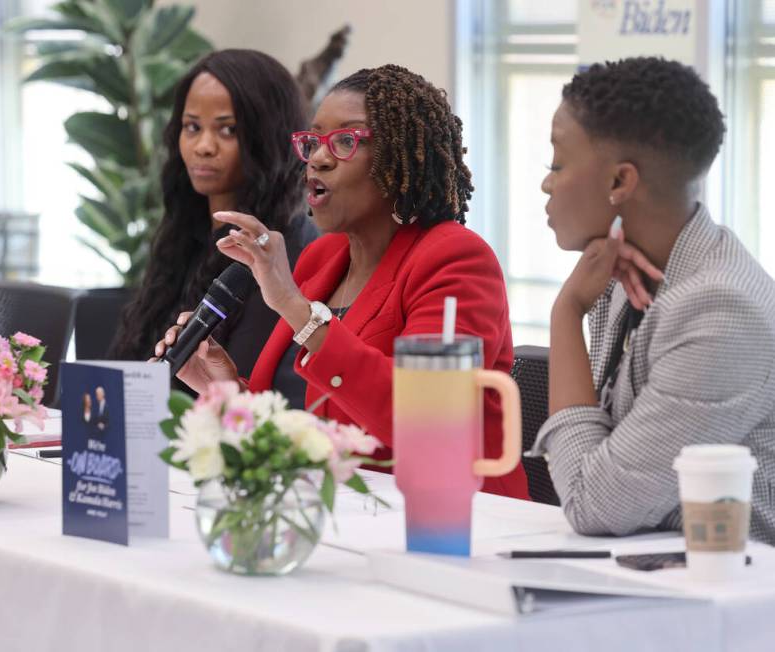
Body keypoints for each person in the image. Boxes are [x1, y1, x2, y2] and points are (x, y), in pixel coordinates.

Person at [156, 64, 530, 500]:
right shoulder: (323, 258)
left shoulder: (455, 259)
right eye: (313, 141)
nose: (319, 158)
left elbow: (428, 419)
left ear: (401, 157)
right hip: (328, 512)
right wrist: (220, 387)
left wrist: (294, 308)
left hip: (453, 518)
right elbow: (297, 430)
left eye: (346, 141)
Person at [531, 57, 775, 544]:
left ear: (620, 182)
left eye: (557, 163)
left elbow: (592, 503)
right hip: (656, 578)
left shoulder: (723, 313)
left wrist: (565, 314)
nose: (546, 182)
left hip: (740, 602)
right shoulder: (623, 273)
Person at [110, 49, 318, 384]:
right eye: (192, 126)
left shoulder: (286, 252)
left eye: (228, 130)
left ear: (269, 137)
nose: (203, 146)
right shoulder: (181, 238)